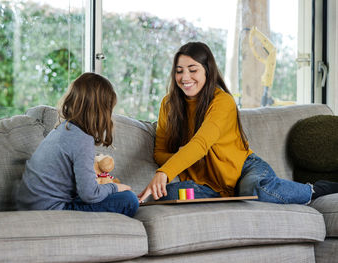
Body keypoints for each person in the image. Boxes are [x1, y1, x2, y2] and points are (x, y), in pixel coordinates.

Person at [138, 41, 338, 204]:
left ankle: (315, 189)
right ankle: (228, 198)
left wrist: (165, 172)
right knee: (165, 195)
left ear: (207, 71)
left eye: (193, 70)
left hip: (245, 170)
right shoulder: (168, 104)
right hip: (206, 185)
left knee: (254, 189)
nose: (185, 77)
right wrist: (185, 158)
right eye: (179, 70)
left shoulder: (222, 101)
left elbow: (200, 144)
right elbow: (159, 152)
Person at [16, 72, 139, 217]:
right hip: (51, 210)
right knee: (129, 199)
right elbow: (90, 195)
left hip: (29, 206)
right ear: (101, 111)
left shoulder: (61, 130)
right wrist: (115, 187)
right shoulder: (82, 139)